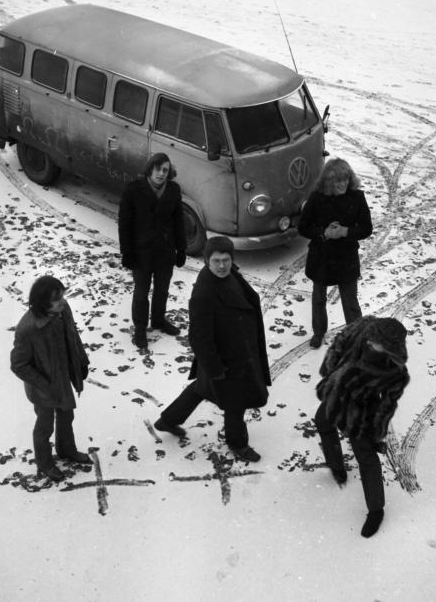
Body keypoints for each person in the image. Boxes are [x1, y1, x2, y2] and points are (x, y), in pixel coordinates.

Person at [154, 236, 270, 462]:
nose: (222, 265)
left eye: (226, 260)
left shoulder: (230, 274)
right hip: (225, 359)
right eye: (216, 261)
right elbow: (198, 337)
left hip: (233, 350)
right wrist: (216, 368)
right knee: (235, 402)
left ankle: (168, 420)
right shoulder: (204, 294)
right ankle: (238, 444)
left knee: (201, 388)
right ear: (207, 261)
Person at [314, 316, 410, 538]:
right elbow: (339, 342)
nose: (369, 342)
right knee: (322, 422)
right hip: (336, 394)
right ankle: (336, 465)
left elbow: (387, 405)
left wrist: (377, 431)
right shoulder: (364, 329)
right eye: (370, 338)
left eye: (375, 342)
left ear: (389, 347)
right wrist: (331, 372)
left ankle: (376, 509)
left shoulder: (395, 371)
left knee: (366, 457)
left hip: (361, 410)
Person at [10, 276, 92, 482]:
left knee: (67, 416)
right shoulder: (27, 329)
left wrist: (82, 360)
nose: (63, 301)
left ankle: (67, 450)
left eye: (62, 296)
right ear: (42, 302)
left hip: (63, 377)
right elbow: (19, 365)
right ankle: (45, 463)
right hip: (42, 387)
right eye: (57, 299)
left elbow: (73, 335)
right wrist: (45, 385)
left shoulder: (63, 310)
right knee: (45, 425)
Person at [298, 157, 373, 349]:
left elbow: (366, 228)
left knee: (350, 302)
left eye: (345, 179)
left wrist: (345, 232)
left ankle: (355, 336)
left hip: (346, 257)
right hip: (321, 257)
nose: (342, 184)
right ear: (328, 182)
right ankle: (319, 332)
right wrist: (324, 232)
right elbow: (303, 227)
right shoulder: (316, 198)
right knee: (318, 300)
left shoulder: (357, 197)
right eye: (337, 181)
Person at [118, 152, 187, 349]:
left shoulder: (173, 190)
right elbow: (125, 223)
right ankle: (140, 329)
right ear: (150, 169)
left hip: (165, 251)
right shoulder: (133, 190)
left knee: (162, 290)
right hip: (142, 252)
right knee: (141, 292)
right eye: (157, 169)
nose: (161, 173)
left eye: (165, 170)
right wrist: (127, 252)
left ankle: (158, 320)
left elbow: (178, 221)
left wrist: (181, 248)